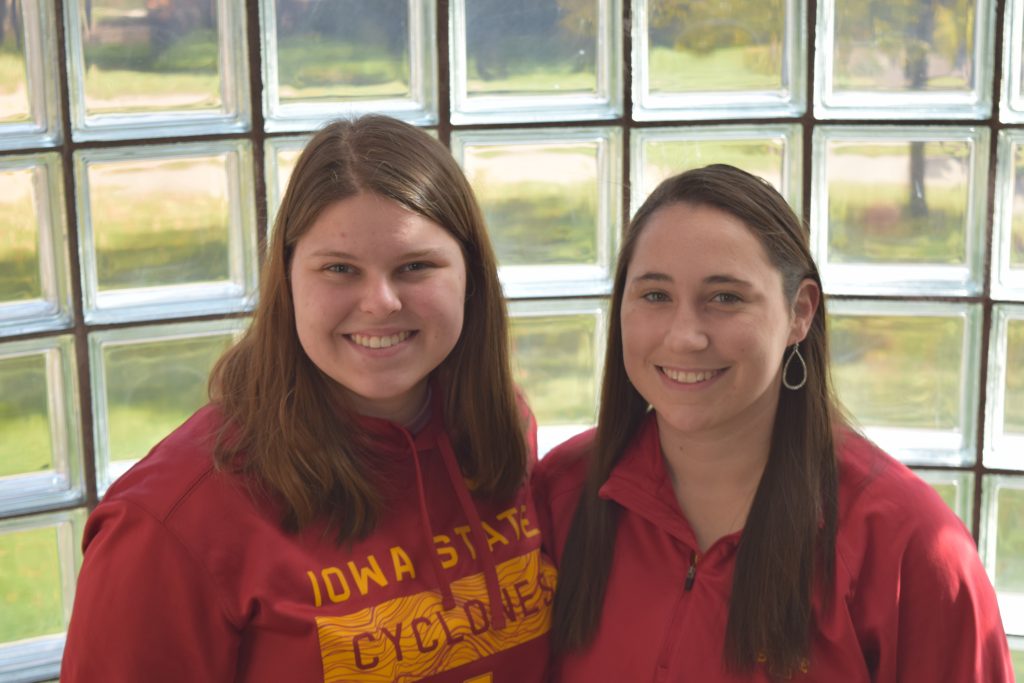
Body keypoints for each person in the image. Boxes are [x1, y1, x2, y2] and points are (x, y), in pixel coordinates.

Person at [62, 115, 554, 682]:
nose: (380, 303)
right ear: (288, 279)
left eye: (415, 266)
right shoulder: (171, 521)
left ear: (470, 275)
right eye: (339, 269)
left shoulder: (498, 426)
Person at [532, 164, 1013, 682]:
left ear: (800, 312)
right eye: (655, 295)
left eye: (726, 298)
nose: (685, 336)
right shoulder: (564, 492)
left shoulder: (909, 544)